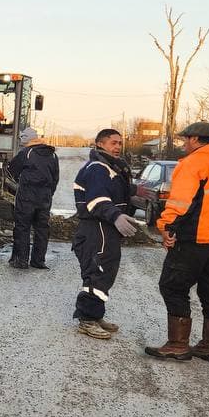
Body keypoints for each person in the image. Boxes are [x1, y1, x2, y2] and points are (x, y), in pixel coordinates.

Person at [146, 121, 209, 362]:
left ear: (195, 139)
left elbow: (181, 202)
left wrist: (166, 226)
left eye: (185, 139)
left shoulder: (194, 163)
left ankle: (178, 344)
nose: (183, 143)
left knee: (172, 286)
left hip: (194, 237)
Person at [71, 128, 137, 339]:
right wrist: (116, 216)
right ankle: (87, 320)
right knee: (96, 272)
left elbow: (113, 192)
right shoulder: (98, 168)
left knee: (106, 271)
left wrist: (134, 193)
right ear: (100, 144)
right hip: (96, 228)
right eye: (113, 143)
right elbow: (97, 200)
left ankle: (95, 314)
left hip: (106, 228)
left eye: (119, 143)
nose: (118, 147)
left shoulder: (111, 167)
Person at [7, 127, 59, 269]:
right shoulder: (52, 155)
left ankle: (21, 260)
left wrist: (21, 182)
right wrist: (48, 193)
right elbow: (55, 178)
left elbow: (11, 170)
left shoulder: (26, 152)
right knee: (42, 229)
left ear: (26, 139)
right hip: (45, 198)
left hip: (27, 196)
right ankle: (38, 261)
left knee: (22, 227)